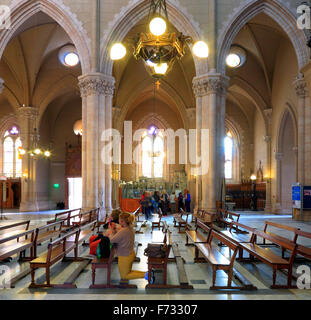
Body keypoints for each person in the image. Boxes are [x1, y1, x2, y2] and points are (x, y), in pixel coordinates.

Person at [108, 212, 149, 286]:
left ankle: (146, 275)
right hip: (129, 253)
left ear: (122, 221)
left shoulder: (124, 231)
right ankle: (147, 274)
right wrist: (115, 230)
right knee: (128, 272)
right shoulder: (129, 228)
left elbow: (111, 240)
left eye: (120, 219)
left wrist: (111, 231)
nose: (119, 221)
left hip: (125, 256)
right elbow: (119, 235)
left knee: (124, 276)